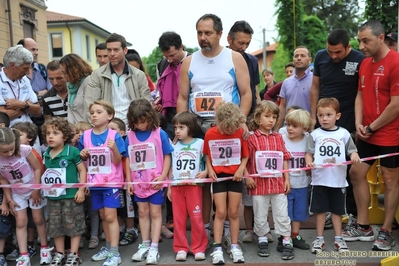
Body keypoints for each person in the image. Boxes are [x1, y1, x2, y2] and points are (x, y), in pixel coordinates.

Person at [343, 20, 399, 251]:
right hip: (367, 132)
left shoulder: (396, 62)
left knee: (389, 180)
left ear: (381, 38)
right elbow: (360, 95)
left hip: (389, 134)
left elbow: (396, 105)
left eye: (366, 40)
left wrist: (372, 126)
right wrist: (358, 123)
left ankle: (386, 231)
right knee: (356, 172)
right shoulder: (364, 64)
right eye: (359, 41)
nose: (361, 45)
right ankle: (364, 225)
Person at [309, 28, 364, 228]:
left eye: (338, 52)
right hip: (323, 117)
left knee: (347, 167)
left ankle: (349, 212)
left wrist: (358, 122)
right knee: (323, 163)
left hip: (348, 117)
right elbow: (315, 87)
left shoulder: (359, 59)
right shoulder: (320, 57)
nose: (333, 56)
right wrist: (314, 116)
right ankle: (326, 213)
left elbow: (361, 91)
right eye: (330, 51)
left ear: (348, 47)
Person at [177, 13, 252, 135]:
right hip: (197, 126)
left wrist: (241, 119)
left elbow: (246, 93)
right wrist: (181, 126)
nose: (202, 37)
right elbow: (183, 97)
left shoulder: (235, 58)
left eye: (208, 33)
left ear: (219, 34)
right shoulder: (188, 62)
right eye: (199, 33)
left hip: (228, 124)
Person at [305, 98, 360, 254]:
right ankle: (320, 238)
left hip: (338, 181)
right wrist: (309, 162)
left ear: (337, 115)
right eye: (321, 115)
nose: (324, 118)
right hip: (319, 180)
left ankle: (338, 238)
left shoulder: (343, 134)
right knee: (320, 210)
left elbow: (352, 150)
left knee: (337, 211)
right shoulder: (315, 134)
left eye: (329, 115)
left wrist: (354, 155)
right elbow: (308, 154)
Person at [125, 99, 173, 265]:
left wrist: (164, 176)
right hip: (139, 183)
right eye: (136, 123)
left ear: (151, 117)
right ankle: (145, 244)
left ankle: (154, 247)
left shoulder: (160, 133)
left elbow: (167, 155)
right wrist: (129, 181)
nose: (140, 125)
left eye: (143, 122)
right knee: (143, 213)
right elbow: (127, 159)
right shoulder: (130, 136)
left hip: (156, 182)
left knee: (155, 213)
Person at [244, 101, 294, 260]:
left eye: (274, 117)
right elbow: (244, 158)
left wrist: (287, 179)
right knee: (259, 212)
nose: (271, 120)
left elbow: (285, 157)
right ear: (258, 118)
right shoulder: (251, 139)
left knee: (282, 212)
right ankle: (263, 238)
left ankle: (286, 240)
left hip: (278, 183)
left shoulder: (278, 137)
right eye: (267, 116)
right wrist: (248, 176)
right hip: (259, 185)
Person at [79, 100, 126, 266]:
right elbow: (81, 159)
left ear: (109, 116)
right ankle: (107, 247)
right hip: (94, 183)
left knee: (111, 216)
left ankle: (114, 252)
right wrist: (83, 155)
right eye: (92, 112)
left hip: (111, 183)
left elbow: (119, 161)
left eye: (99, 112)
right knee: (102, 215)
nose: (94, 115)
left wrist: (114, 149)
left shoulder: (114, 136)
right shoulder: (85, 136)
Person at [203, 102, 248, 264]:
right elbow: (207, 154)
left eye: (233, 129)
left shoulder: (239, 131)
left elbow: (245, 155)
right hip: (219, 177)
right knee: (220, 212)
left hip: (235, 177)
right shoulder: (210, 134)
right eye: (227, 129)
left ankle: (235, 246)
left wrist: (241, 169)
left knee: (234, 212)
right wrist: (210, 169)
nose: (230, 132)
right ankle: (217, 247)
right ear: (220, 122)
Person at [0, 128, 52, 266]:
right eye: (4, 151)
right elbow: (3, 181)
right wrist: (9, 199)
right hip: (16, 193)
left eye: (11, 149)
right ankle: (24, 255)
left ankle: (45, 248)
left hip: (33, 189)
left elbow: (37, 168)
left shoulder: (24, 149)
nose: (9, 153)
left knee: (38, 219)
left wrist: (36, 189)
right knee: (21, 222)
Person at [41, 117, 87, 265]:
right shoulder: (47, 153)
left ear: (65, 136)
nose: (50, 137)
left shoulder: (72, 151)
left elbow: (82, 169)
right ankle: (60, 253)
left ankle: (73, 254)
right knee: (55, 226)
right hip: (53, 197)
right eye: (48, 133)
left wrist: (81, 188)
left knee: (73, 224)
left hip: (70, 196)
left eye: (55, 133)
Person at [86, 33, 151, 125]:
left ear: (125, 50)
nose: (112, 54)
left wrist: (140, 126)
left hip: (133, 127)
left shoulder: (138, 75)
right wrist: (100, 129)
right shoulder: (97, 75)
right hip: (106, 128)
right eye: (109, 50)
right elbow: (90, 105)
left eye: (116, 50)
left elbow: (146, 104)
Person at [168, 111, 208, 261]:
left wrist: (205, 172)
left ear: (190, 127)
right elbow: (170, 166)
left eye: (181, 127)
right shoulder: (173, 145)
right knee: (178, 218)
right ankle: (181, 247)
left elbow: (208, 161)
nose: (177, 131)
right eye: (175, 127)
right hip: (177, 186)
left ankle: (199, 247)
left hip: (194, 185)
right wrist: (168, 187)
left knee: (196, 217)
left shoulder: (200, 143)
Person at [282, 109, 312, 251]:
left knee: (298, 213)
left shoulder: (308, 139)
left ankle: (295, 236)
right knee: (285, 213)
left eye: (294, 126)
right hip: (286, 184)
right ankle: (284, 237)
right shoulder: (282, 138)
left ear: (304, 128)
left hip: (302, 184)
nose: (289, 128)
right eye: (288, 125)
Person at [0, 45, 42, 127]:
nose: (27, 72)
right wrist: (27, 107)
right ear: (12, 65)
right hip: (9, 134)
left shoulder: (25, 79)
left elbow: (38, 111)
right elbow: (2, 117)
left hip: (30, 131)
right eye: (25, 68)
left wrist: (21, 104)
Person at [227, 20, 261, 114]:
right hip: (225, 114)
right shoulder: (218, 59)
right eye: (241, 43)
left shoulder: (253, 61)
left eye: (247, 44)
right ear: (229, 39)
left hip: (248, 116)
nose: (244, 48)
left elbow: (255, 91)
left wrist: (259, 114)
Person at [277, 46, 313, 129]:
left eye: (302, 56)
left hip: (307, 128)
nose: (299, 58)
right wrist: (277, 128)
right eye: (296, 56)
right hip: (288, 128)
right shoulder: (286, 82)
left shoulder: (315, 80)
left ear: (310, 60)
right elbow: (282, 106)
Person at [59, 54, 92, 124]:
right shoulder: (70, 84)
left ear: (73, 70)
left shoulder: (88, 81)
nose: (63, 76)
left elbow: (89, 110)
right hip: (76, 129)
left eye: (64, 73)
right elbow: (70, 111)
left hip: (86, 128)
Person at [0, 186, 12, 266]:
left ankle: (0, 255)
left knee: (2, 228)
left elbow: (5, 184)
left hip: (2, 200)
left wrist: (4, 203)